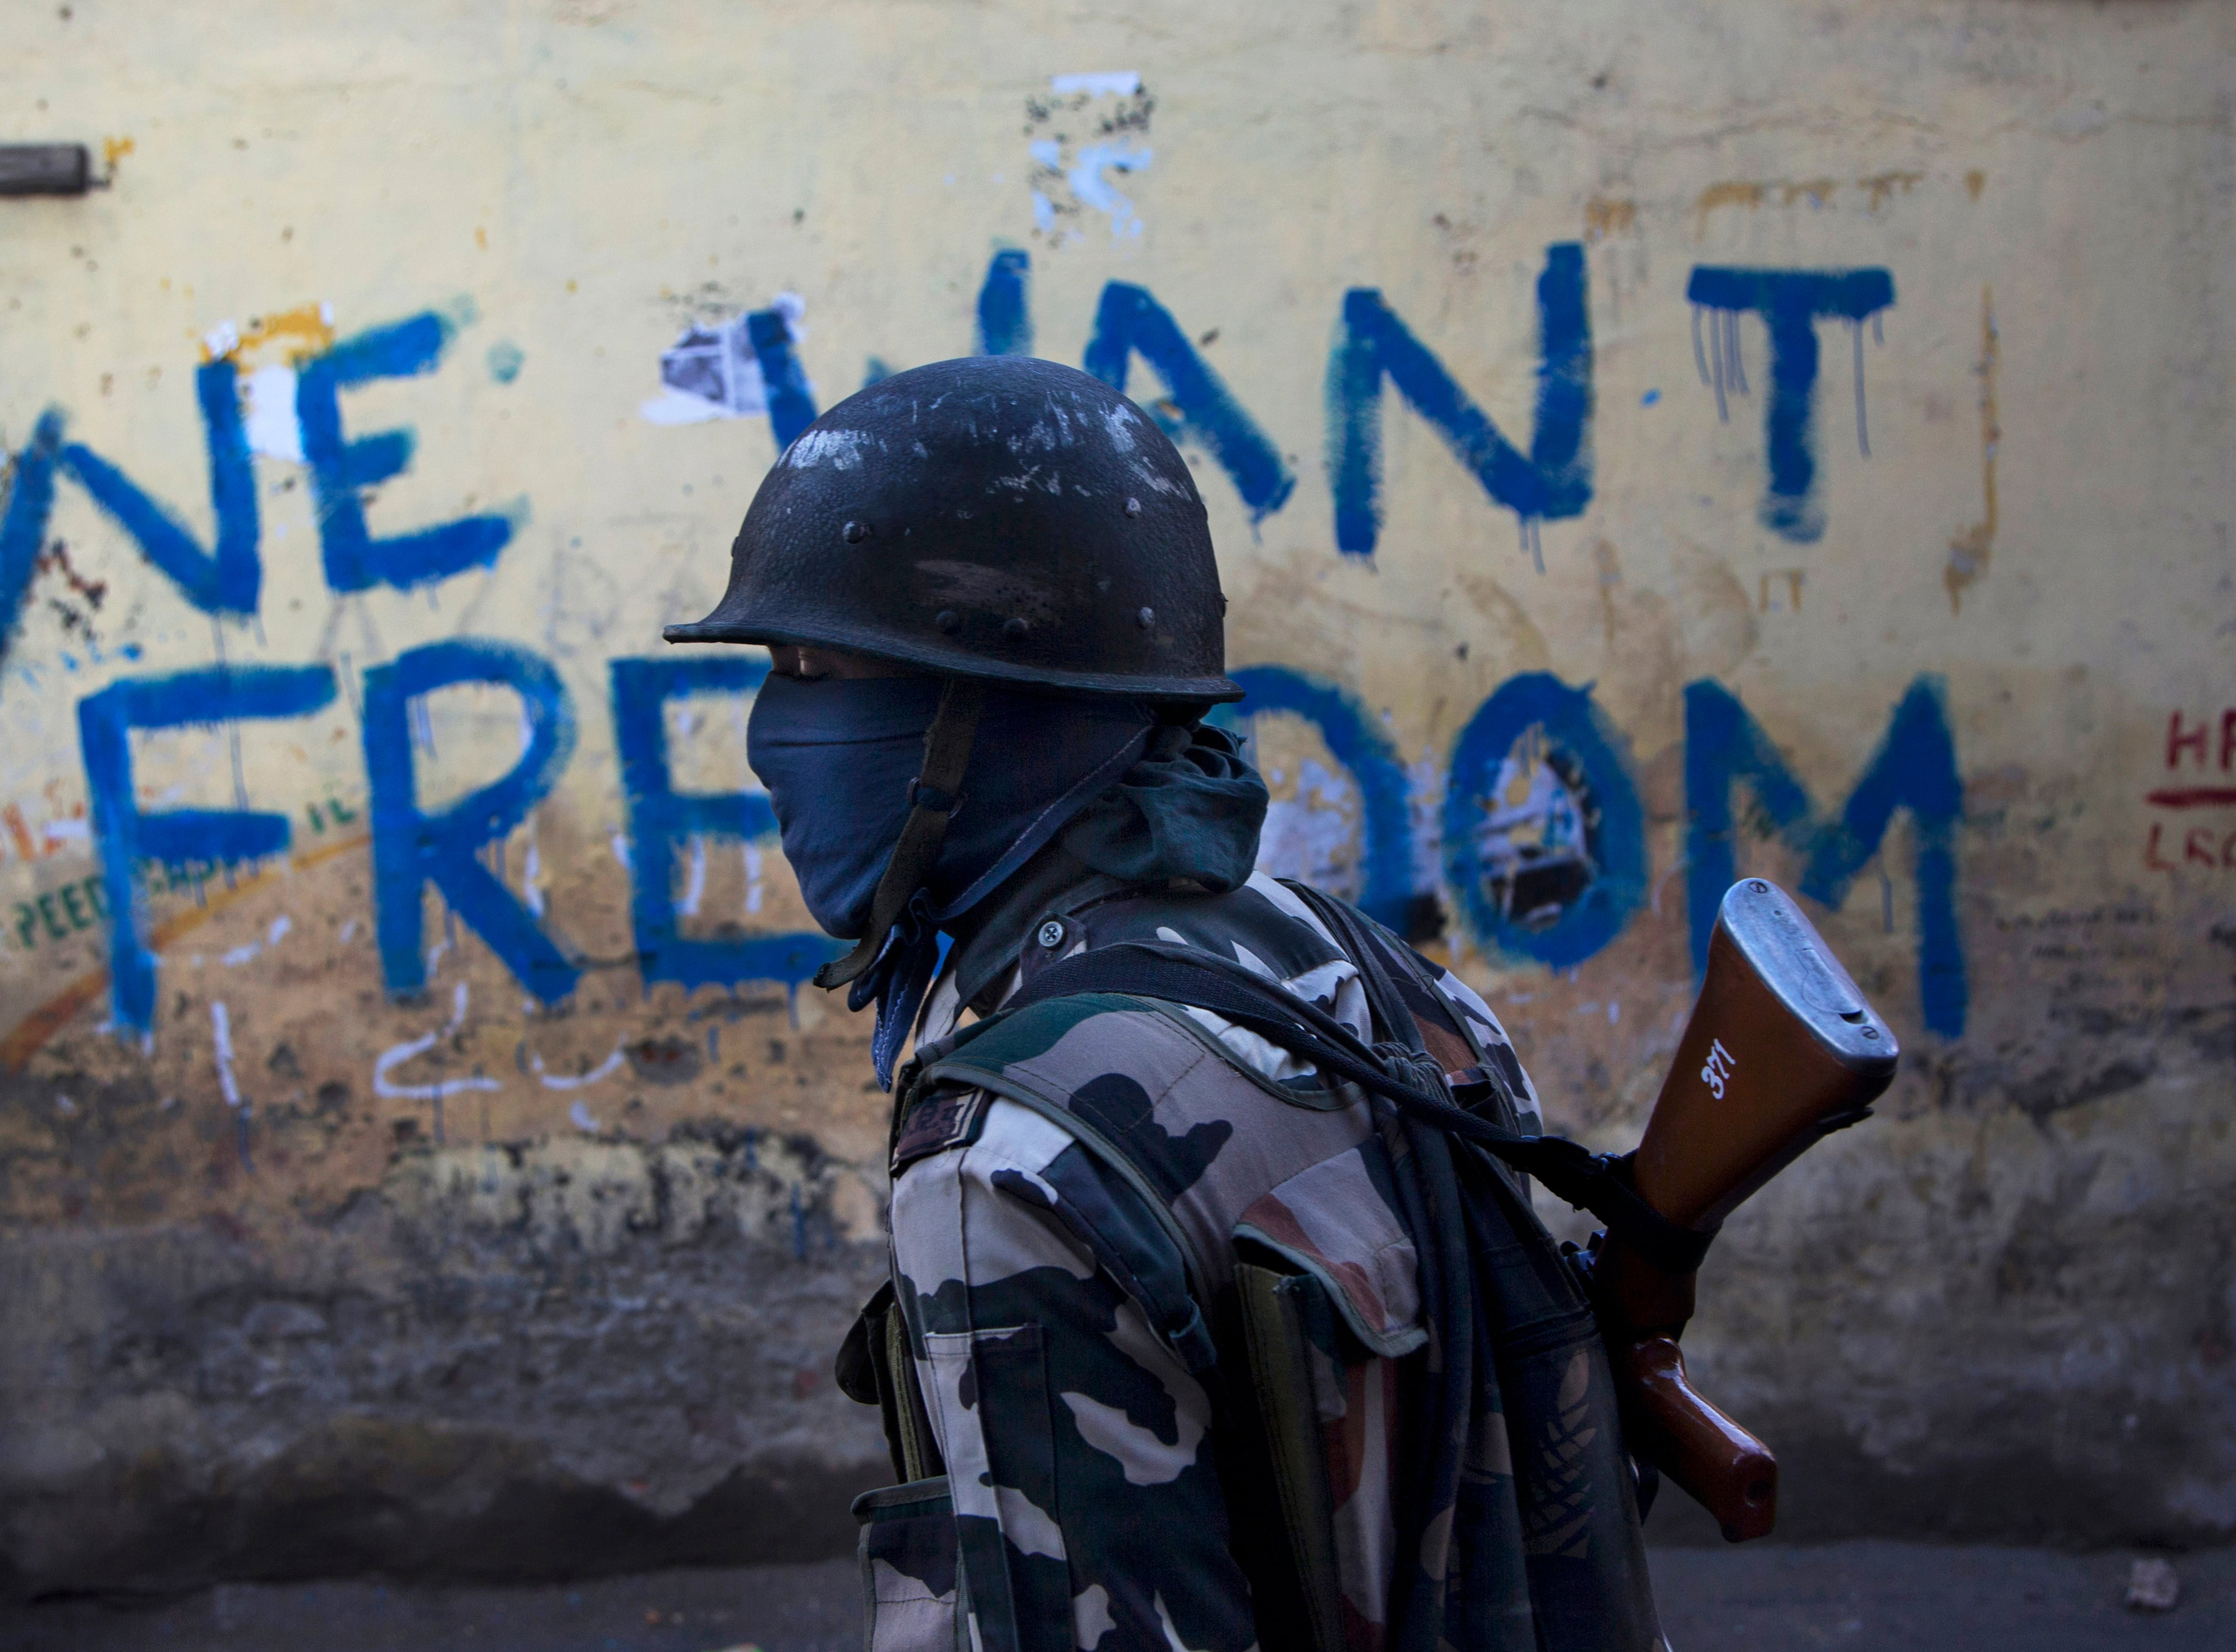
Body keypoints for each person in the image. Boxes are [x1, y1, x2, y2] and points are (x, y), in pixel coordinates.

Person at [665, 356, 1663, 1652]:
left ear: (999, 713)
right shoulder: (1372, 973)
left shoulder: (1010, 1158)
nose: (770, 735)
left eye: (820, 669)